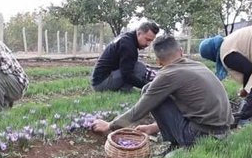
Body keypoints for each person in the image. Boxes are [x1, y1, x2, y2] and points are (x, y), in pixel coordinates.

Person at [91, 35, 233, 148]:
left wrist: (109, 125)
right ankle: (175, 138)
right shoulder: (197, 65)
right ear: (181, 51)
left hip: (201, 135)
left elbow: (140, 109)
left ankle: (180, 144)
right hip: (224, 131)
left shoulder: (168, 75)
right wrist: (153, 127)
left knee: (149, 90)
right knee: (163, 93)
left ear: (159, 62)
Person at [91, 21, 160, 92]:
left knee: (136, 66)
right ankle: (124, 90)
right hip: (101, 83)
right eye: (147, 39)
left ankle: (124, 89)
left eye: (151, 41)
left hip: (100, 80)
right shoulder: (128, 45)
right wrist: (146, 86)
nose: (148, 44)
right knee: (139, 67)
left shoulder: (127, 39)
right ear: (139, 33)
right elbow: (127, 74)